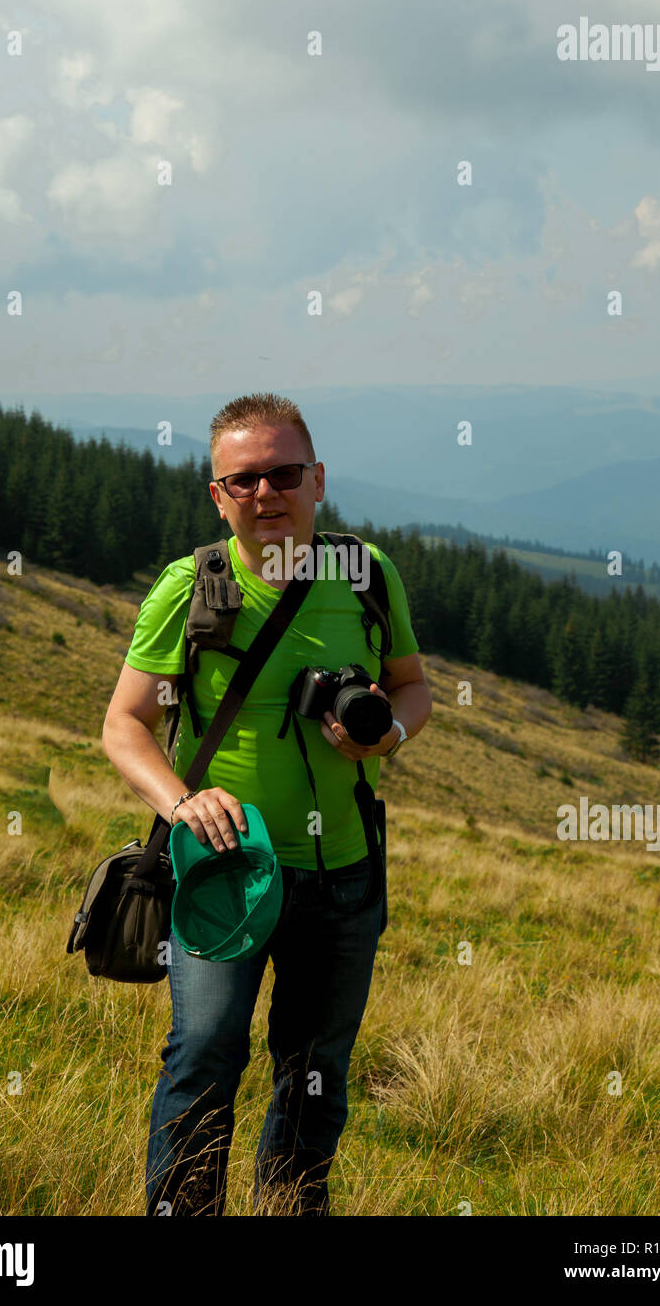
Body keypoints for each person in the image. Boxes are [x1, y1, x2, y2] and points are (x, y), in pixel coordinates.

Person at [102, 392, 432, 1215]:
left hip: (343, 872)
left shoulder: (367, 574)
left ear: (317, 480)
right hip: (224, 873)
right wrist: (183, 802)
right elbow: (124, 725)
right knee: (205, 1056)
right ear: (218, 496)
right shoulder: (189, 588)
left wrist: (388, 734)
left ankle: (291, 1208)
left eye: (283, 474)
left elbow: (412, 688)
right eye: (242, 480)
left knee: (315, 1071)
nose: (265, 494)